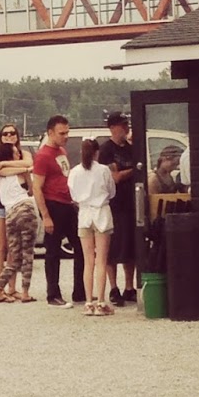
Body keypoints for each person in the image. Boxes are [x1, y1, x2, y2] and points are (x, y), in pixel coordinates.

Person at [30, 114, 84, 307]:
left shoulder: (61, 151)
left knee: (80, 246)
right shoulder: (43, 156)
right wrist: (45, 216)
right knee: (53, 251)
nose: (66, 136)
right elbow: (37, 187)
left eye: (67, 132)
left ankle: (80, 290)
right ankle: (53, 293)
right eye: (62, 133)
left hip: (67, 204)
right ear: (50, 133)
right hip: (53, 204)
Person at [0, 122, 37, 303]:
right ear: (0, 137)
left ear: (17, 136)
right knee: (0, 246)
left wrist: (5, 164)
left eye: (12, 133)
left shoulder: (24, 153)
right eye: (5, 133)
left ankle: (12, 288)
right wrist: (23, 169)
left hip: (13, 203)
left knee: (13, 249)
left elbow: (28, 163)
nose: (9, 136)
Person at [69, 138, 117, 317]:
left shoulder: (74, 172)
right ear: (97, 152)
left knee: (88, 261)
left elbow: (73, 194)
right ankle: (101, 302)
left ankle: (88, 302)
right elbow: (112, 191)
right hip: (101, 213)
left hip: (84, 215)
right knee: (101, 261)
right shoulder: (103, 170)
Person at [97, 112, 140, 306]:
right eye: (123, 124)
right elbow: (115, 177)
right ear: (113, 127)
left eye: (127, 124)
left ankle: (129, 287)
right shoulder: (106, 150)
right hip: (115, 205)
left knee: (130, 247)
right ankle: (113, 288)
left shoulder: (131, 149)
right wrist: (135, 170)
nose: (127, 127)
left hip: (132, 203)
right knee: (113, 248)